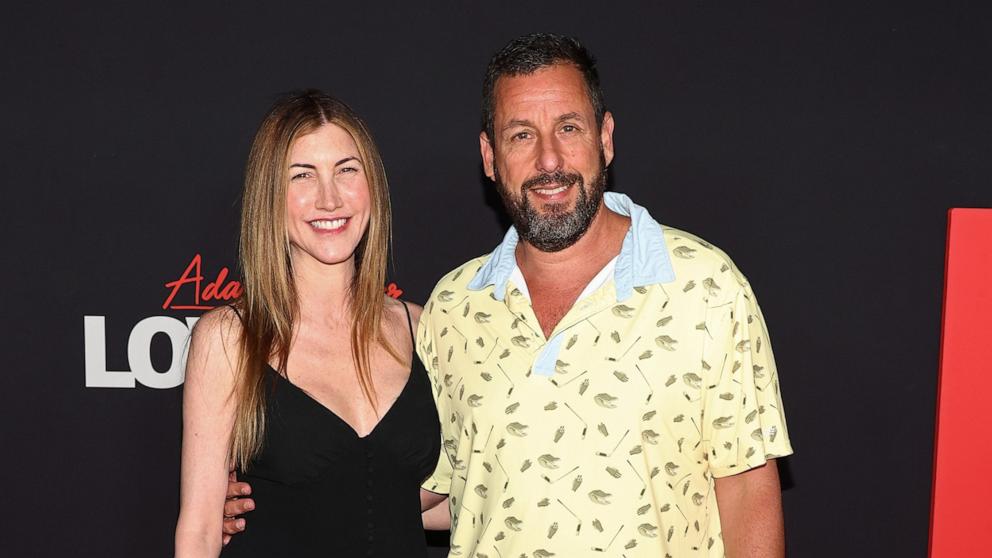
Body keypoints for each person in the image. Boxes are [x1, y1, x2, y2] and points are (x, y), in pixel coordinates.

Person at [224, 34, 792, 557]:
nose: (549, 160)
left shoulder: (705, 286)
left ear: (606, 138)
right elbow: (434, 491)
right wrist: (276, 498)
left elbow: (747, 490)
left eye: (568, 127)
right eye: (522, 134)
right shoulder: (453, 308)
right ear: (490, 156)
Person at [174, 90, 447, 558]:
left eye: (346, 170)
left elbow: (423, 499)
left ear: (372, 186)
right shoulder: (229, 339)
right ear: (270, 196)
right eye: (302, 175)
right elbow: (199, 534)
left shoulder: (425, 330)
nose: (329, 197)